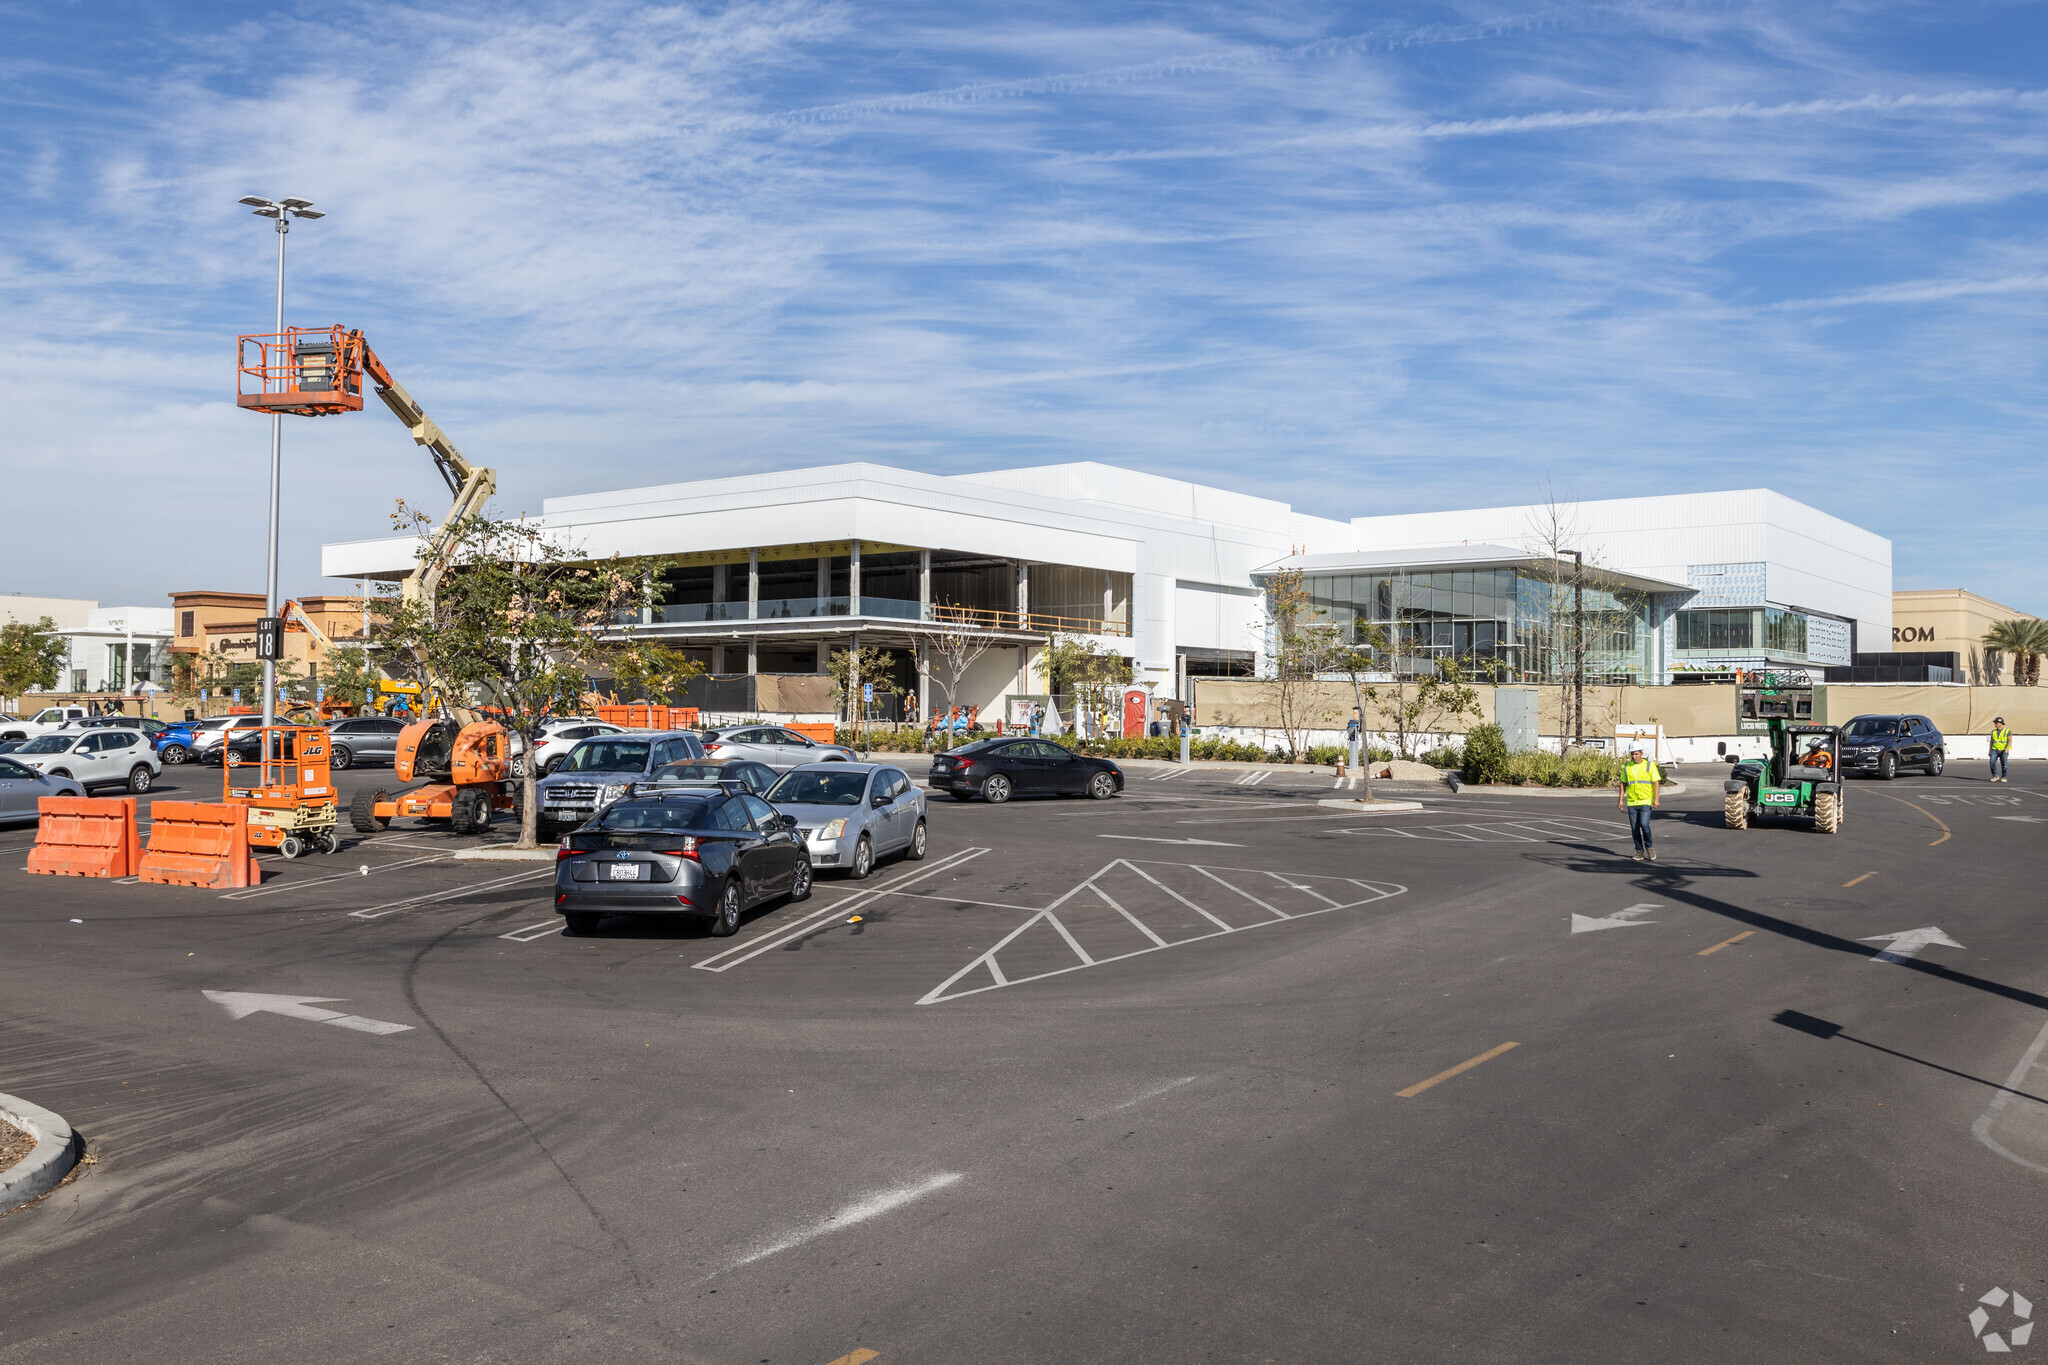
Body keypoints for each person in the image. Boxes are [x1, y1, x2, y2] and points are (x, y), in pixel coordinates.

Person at [1619, 743, 1662, 862]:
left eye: (1636, 754)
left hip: (1646, 801)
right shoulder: (1626, 767)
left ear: (1641, 754)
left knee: (1644, 825)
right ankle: (1639, 851)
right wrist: (1621, 800)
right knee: (1634, 828)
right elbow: (1623, 783)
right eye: (1632, 754)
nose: (1634, 756)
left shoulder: (1650, 766)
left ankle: (1649, 848)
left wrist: (1656, 799)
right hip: (1632, 802)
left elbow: (1656, 783)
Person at [1990, 716, 2012, 783]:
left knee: (2004, 764)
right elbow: (1992, 741)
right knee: (1992, 762)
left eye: (1996, 723)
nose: (1995, 724)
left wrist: (2007, 748)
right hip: (1995, 749)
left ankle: (2004, 777)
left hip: (2003, 750)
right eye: (1995, 723)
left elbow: (2010, 740)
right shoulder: (1993, 732)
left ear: (2000, 723)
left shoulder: (2007, 731)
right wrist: (1990, 750)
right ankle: (1995, 775)